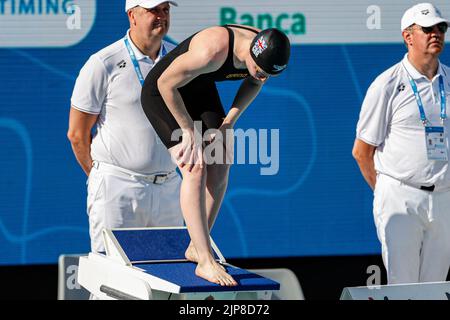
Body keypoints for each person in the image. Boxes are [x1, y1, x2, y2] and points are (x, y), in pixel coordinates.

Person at [140, 24, 291, 286]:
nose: (261, 77)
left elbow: (254, 82)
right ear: (251, 54)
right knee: (195, 165)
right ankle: (205, 261)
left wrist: (227, 124)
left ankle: (196, 246)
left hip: (198, 86)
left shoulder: (260, 54)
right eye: (258, 70)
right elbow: (166, 84)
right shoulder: (212, 50)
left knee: (221, 161)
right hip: (163, 92)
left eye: (268, 75)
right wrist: (187, 129)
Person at [67, 0, 183, 253]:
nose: (161, 16)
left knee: (169, 278)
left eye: (166, 10)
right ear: (132, 15)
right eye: (153, 10)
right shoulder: (103, 63)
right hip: (117, 188)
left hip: (169, 189)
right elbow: (77, 134)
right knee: (113, 283)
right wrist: (102, 177)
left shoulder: (181, 60)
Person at [353, 3, 450, 284]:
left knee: (436, 285)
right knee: (403, 283)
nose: (436, 34)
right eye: (428, 29)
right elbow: (361, 152)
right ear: (408, 36)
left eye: (440, 28)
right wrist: (385, 189)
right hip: (400, 195)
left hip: (444, 196)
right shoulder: (386, 84)